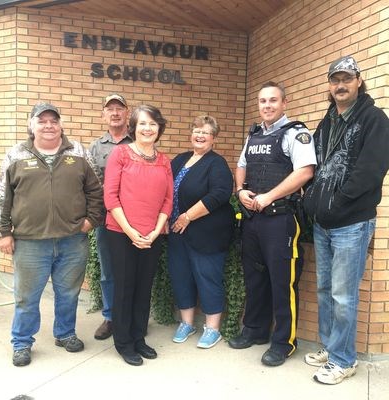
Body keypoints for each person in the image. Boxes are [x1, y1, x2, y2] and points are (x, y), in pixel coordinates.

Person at [0, 102, 103, 367]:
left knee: (69, 293)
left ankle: (65, 334)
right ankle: (22, 342)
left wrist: (90, 221)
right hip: (30, 242)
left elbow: (96, 190)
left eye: (54, 121)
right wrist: (1, 232)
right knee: (27, 297)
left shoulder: (79, 152)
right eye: (42, 121)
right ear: (32, 125)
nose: (49, 126)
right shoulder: (16, 154)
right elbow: (1, 197)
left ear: (60, 124)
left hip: (72, 240)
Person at [303, 55, 389, 384]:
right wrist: (312, 199)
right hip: (324, 222)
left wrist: (338, 203)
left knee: (343, 294)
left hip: (351, 222)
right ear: (329, 85)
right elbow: (315, 162)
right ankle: (332, 346)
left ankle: (344, 359)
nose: (341, 85)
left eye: (347, 79)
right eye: (335, 80)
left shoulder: (374, 119)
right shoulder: (328, 120)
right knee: (326, 289)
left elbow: (371, 170)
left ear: (358, 82)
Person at [228, 81, 316, 366]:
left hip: (281, 219)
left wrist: (269, 196)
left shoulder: (297, 134)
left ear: (284, 103)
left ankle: (284, 343)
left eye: (273, 100)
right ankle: (255, 330)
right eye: (263, 101)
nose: (267, 106)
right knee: (255, 278)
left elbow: (305, 172)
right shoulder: (253, 135)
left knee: (282, 283)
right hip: (253, 218)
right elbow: (241, 165)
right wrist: (241, 190)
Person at [104, 104, 173, 366]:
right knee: (125, 288)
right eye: (142, 123)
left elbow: (168, 199)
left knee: (144, 287)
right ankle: (123, 342)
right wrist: (131, 231)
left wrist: (155, 231)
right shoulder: (120, 154)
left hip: (152, 235)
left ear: (159, 128)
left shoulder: (164, 160)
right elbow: (110, 196)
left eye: (153, 124)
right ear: (133, 127)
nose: (147, 128)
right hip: (121, 233)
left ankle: (138, 337)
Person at [168, 115, 235, 349]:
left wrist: (188, 216)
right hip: (176, 233)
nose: (200, 135)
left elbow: (219, 194)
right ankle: (187, 323)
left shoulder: (216, 163)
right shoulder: (180, 159)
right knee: (181, 276)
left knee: (207, 278)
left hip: (206, 233)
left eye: (206, 132)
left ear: (213, 138)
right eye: (197, 130)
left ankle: (212, 328)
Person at [89, 94, 132, 340]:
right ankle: (110, 317)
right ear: (103, 115)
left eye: (119, 108)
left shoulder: (138, 142)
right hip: (106, 220)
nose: (115, 113)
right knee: (109, 271)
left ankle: (132, 316)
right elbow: (91, 184)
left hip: (136, 217)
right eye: (110, 109)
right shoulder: (95, 147)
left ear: (127, 113)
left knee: (133, 269)